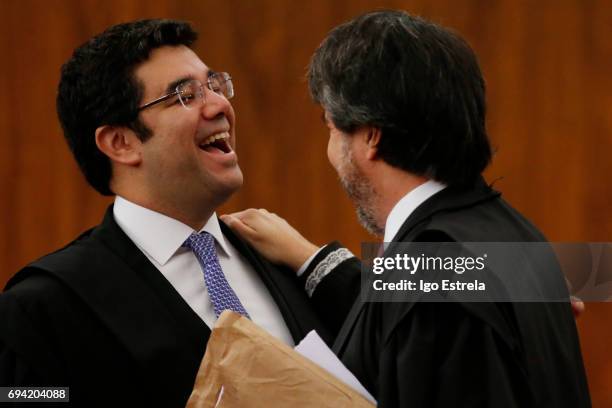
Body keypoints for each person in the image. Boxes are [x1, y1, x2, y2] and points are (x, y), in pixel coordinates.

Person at [222, 10, 591, 407]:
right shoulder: (515, 235)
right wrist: (312, 260)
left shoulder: (431, 269)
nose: (330, 149)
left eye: (331, 128)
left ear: (371, 137)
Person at [0, 19, 328, 406]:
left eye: (215, 85)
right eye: (185, 96)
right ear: (121, 142)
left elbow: (409, 315)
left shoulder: (289, 255)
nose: (220, 104)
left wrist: (326, 262)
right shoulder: (42, 304)